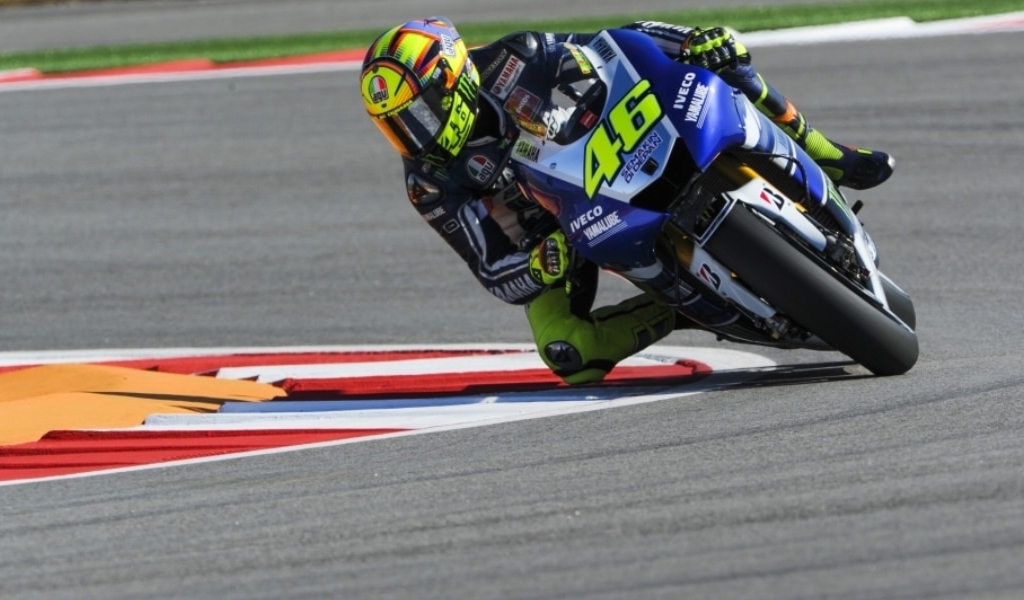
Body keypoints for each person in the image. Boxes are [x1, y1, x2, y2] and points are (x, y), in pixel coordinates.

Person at [358, 16, 895, 385]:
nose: (412, 135)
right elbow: (492, 270)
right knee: (569, 352)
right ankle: (678, 310)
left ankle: (827, 155)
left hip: (603, 160)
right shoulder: (428, 182)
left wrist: (688, 41)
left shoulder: (516, 57)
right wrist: (538, 266)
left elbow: (614, 45)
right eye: (395, 126)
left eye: (418, 114)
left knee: (725, 61)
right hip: (558, 239)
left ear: (451, 80)